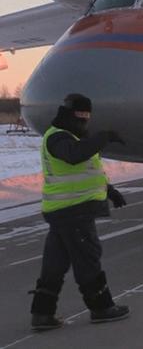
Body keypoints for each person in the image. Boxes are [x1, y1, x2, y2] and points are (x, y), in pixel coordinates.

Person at [29, 94, 130, 331]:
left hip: (65, 212)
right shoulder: (57, 137)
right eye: (80, 116)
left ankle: (42, 313)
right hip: (73, 212)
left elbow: (85, 172)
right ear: (67, 115)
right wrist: (102, 138)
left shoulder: (72, 137)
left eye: (87, 117)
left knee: (54, 264)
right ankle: (101, 307)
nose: (84, 121)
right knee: (87, 258)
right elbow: (73, 155)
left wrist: (109, 191)